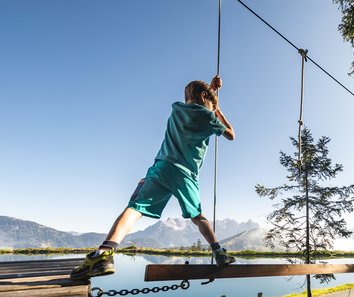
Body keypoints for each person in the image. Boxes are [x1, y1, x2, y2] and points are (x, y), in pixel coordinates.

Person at [71, 76, 236, 280]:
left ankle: (104, 253)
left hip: (162, 168)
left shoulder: (176, 109)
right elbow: (231, 134)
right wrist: (218, 110)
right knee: (198, 217)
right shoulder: (210, 118)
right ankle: (219, 253)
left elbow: (200, 102)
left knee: (135, 209)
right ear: (205, 97)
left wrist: (211, 92)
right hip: (186, 176)